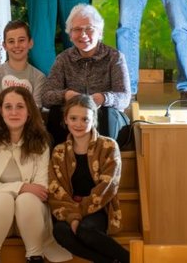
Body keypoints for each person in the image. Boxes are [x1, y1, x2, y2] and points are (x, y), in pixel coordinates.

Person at [0, 86, 70, 263]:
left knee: (26, 200)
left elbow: (42, 189)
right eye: (8, 107)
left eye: (20, 106)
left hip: (29, 218)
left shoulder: (41, 143)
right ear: (0, 111)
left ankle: (35, 257)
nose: (14, 112)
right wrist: (23, 187)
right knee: (3, 200)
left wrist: (8, 191)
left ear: (29, 111)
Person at [48, 95, 129, 263]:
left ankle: (131, 259)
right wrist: (72, 216)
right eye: (73, 118)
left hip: (99, 208)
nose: (79, 124)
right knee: (60, 232)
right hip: (68, 208)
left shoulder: (109, 146)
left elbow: (108, 186)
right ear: (66, 119)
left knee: (85, 231)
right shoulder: (58, 151)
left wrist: (79, 214)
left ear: (93, 120)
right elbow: (56, 189)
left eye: (85, 119)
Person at [41, 4, 131, 144]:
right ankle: (62, 155)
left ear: (100, 33)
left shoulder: (115, 57)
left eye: (89, 29)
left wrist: (103, 98)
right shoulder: (63, 59)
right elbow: (46, 97)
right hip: (74, 119)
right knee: (56, 113)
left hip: (105, 120)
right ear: (70, 35)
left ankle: (104, 155)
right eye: (77, 29)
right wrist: (66, 95)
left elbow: (124, 97)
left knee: (108, 115)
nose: (83, 35)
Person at [0, 20, 45, 110]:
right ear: (4, 46)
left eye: (21, 40)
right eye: (11, 41)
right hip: (0, 118)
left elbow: (35, 108)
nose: (16, 45)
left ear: (30, 43)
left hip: (28, 118)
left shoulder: (39, 77)